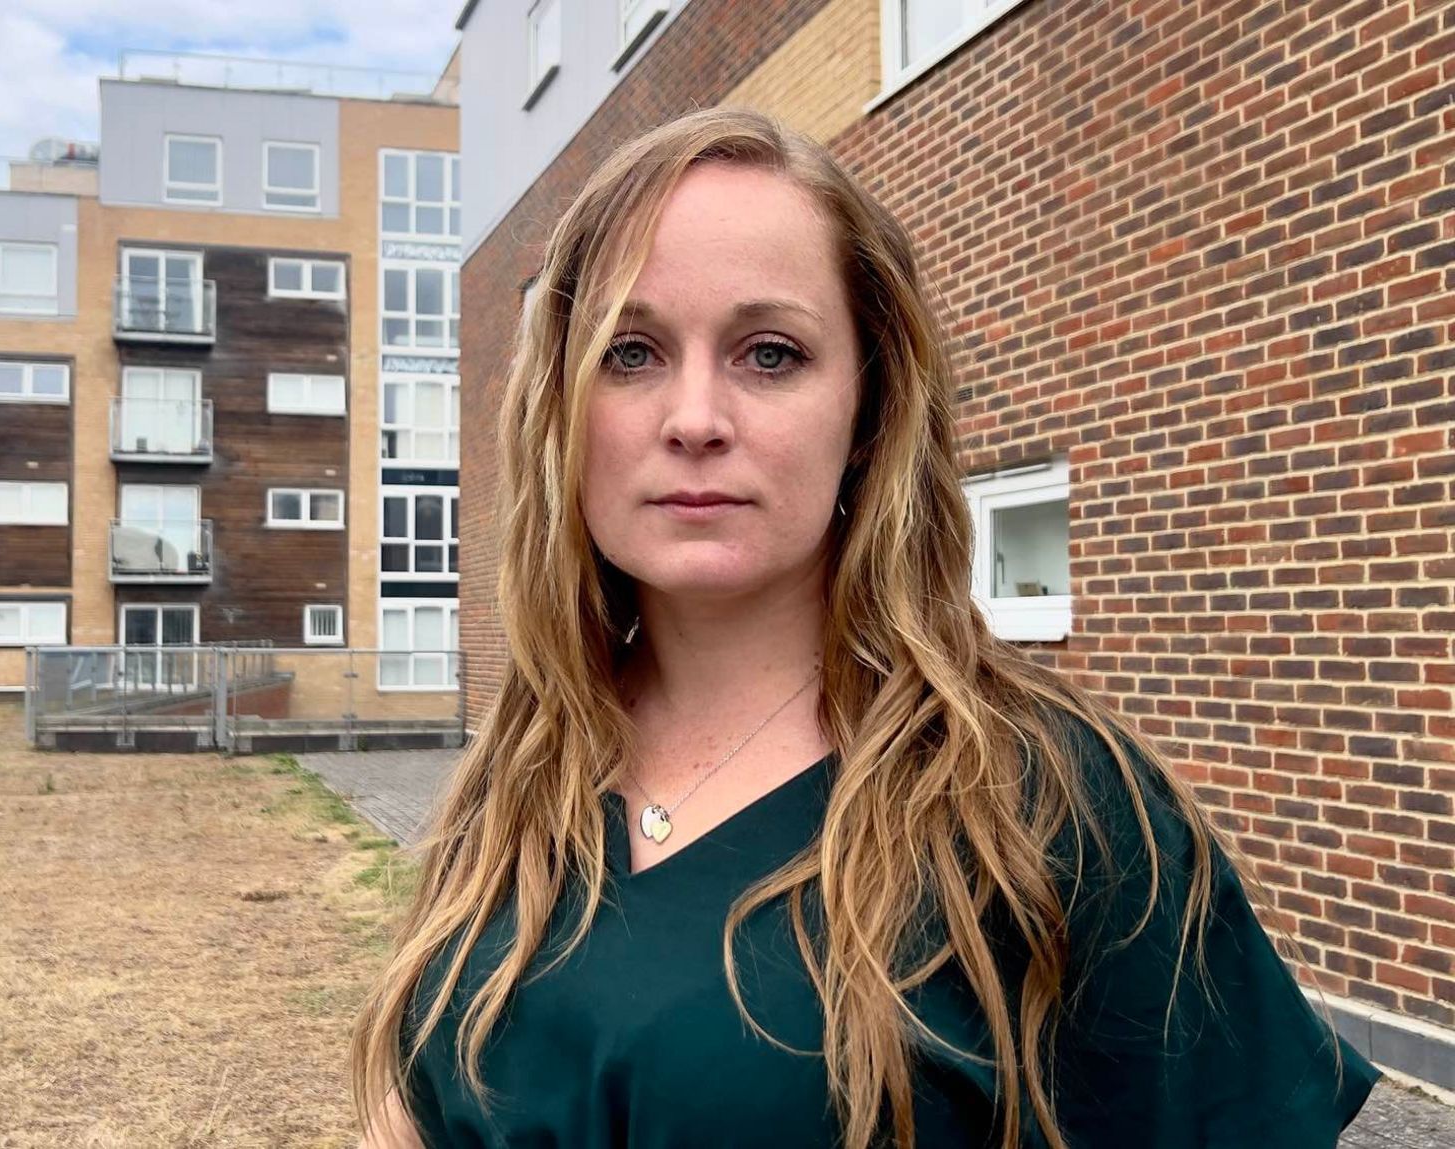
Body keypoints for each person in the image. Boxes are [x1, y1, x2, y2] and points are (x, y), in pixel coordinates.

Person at [347, 107, 1378, 1149]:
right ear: (562, 411)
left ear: (868, 410)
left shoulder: (1045, 804)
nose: (694, 416)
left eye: (768, 354)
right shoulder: (518, 776)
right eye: (629, 351)